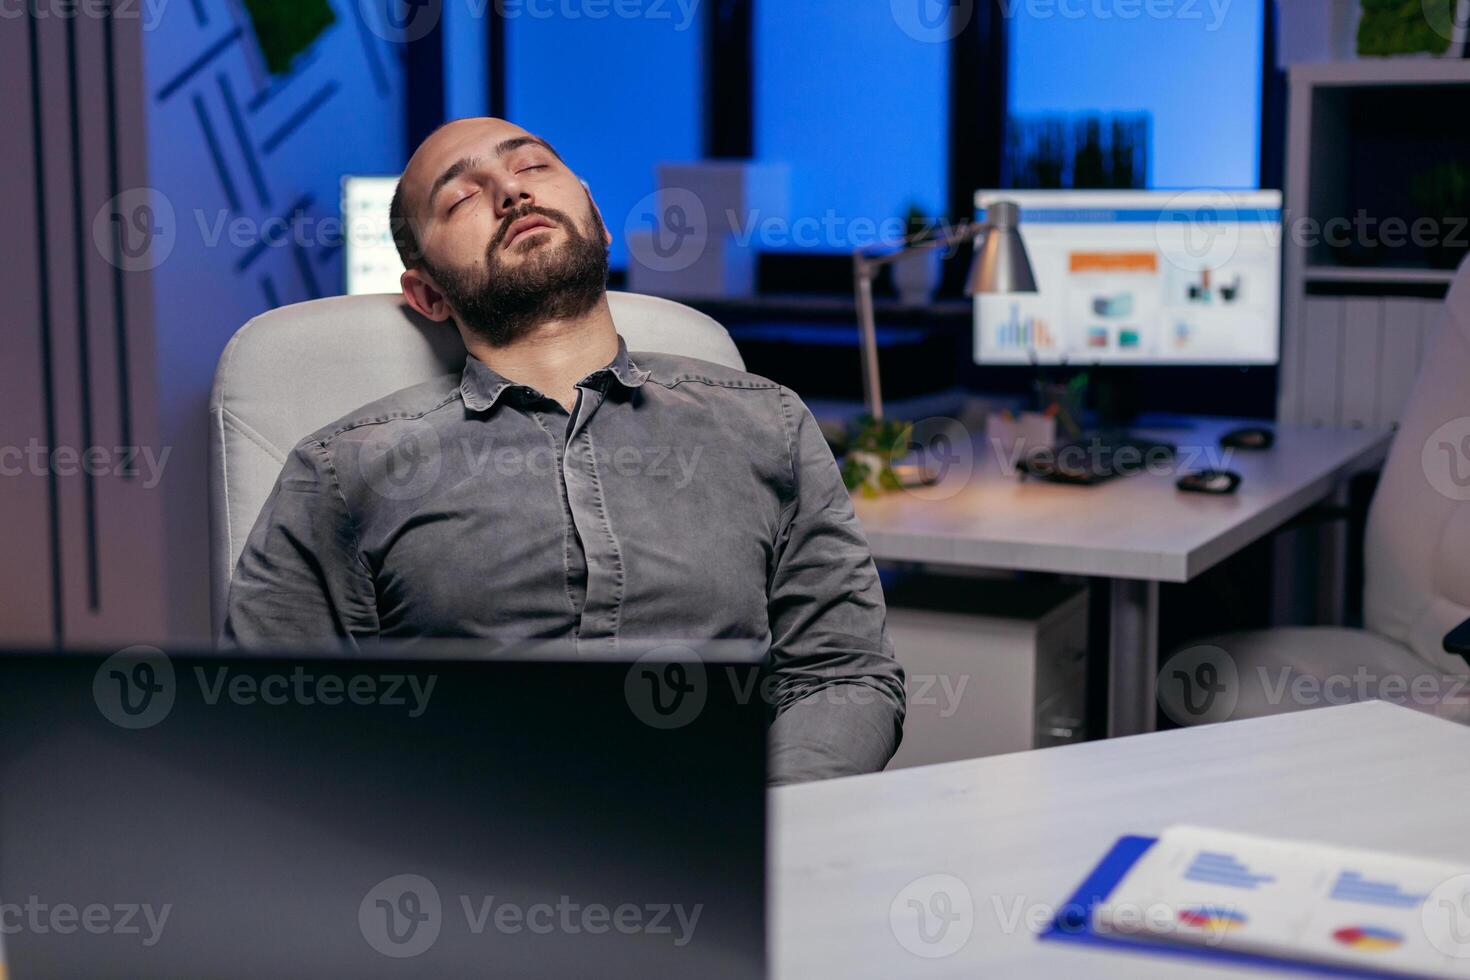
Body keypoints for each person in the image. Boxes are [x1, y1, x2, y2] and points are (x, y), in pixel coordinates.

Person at [224, 117, 904, 783]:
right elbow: (275, 728)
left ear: (600, 223)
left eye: (531, 167)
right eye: (461, 196)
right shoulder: (344, 472)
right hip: (474, 874)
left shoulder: (768, 422)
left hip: (738, 849)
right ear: (428, 294)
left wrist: (764, 826)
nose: (511, 194)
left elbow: (843, 674)